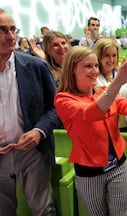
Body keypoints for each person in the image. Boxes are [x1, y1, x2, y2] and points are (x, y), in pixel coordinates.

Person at [54, 46, 127, 216]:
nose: (94, 71)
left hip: (118, 165)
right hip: (89, 172)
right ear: (72, 69)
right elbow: (92, 112)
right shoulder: (63, 99)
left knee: (120, 213)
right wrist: (118, 82)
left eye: (96, 66)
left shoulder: (103, 91)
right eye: (88, 66)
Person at [0, 8, 58, 215]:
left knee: (44, 209)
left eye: (13, 29)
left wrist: (39, 131)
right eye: (3, 30)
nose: (11, 36)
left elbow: (56, 107)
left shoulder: (36, 66)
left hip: (32, 152)